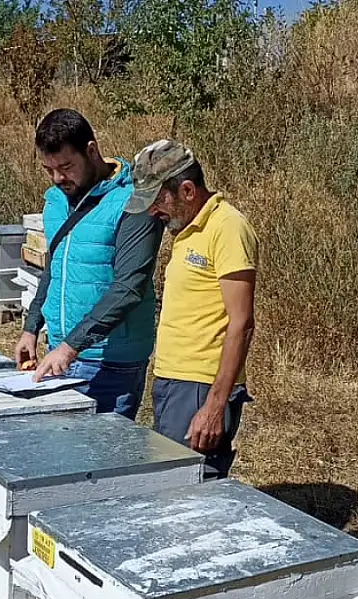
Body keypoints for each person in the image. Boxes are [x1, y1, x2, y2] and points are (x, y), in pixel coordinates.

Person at [15, 109, 163, 419]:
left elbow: (128, 288)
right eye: (49, 169)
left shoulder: (134, 203)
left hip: (112, 363)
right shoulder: (55, 202)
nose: (58, 178)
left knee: (102, 460)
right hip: (61, 354)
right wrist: (31, 329)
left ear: (91, 150)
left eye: (66, 167)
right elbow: (54, 269)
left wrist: (71, 347)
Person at [124, 139, 258, 479]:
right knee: (168, 485)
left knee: (189, 493)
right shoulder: (185, 230)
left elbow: (241, 323)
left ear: (186, 189)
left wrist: (214, 405)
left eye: (158, 200)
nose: (154, 211)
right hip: (173, 381)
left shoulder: (227, 227)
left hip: (200, 387)